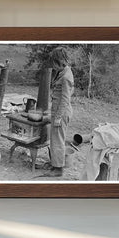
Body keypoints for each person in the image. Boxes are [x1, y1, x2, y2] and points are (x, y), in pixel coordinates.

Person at [46, 47, 74, 177]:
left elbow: (65, 99)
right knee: (55, 139)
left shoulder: (66, 77)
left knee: (58, 140)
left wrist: (58, 117)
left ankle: (58, 169)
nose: (53, 66)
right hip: (57, 110)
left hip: (61, 112)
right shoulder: (62, 72)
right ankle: (54, 163)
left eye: (54, 63)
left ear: (60, 62)